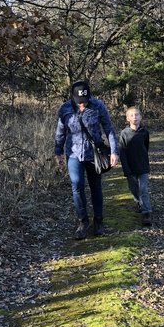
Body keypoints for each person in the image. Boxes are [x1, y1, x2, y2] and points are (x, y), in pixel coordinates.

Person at [55, 80, 119, 239]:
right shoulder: (65, 109)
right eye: (79, 102)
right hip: (73, 154)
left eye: (84, 102)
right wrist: (58, 153)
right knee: (77, 185)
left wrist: (114, 151)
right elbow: (60, 132)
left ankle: (98, 220)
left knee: (95, 186)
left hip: (93, 154)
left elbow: (109, 129)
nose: (82, 105)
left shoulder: (98, 106)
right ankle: (82, 221)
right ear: (73, 97)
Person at [119, 106, 152, 226]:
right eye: (132, 115)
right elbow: (122, 152)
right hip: (130, 167)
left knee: (143, 189)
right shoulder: (124, 133)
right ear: (127, 118)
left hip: (142, 166)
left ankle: (146, 213)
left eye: (137, 115)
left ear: (141, 117)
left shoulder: (144, 132)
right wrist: (125, 168)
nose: (135, 117)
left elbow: (145, 147)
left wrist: (144, 160)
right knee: (134, 189)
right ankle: (139, 202)